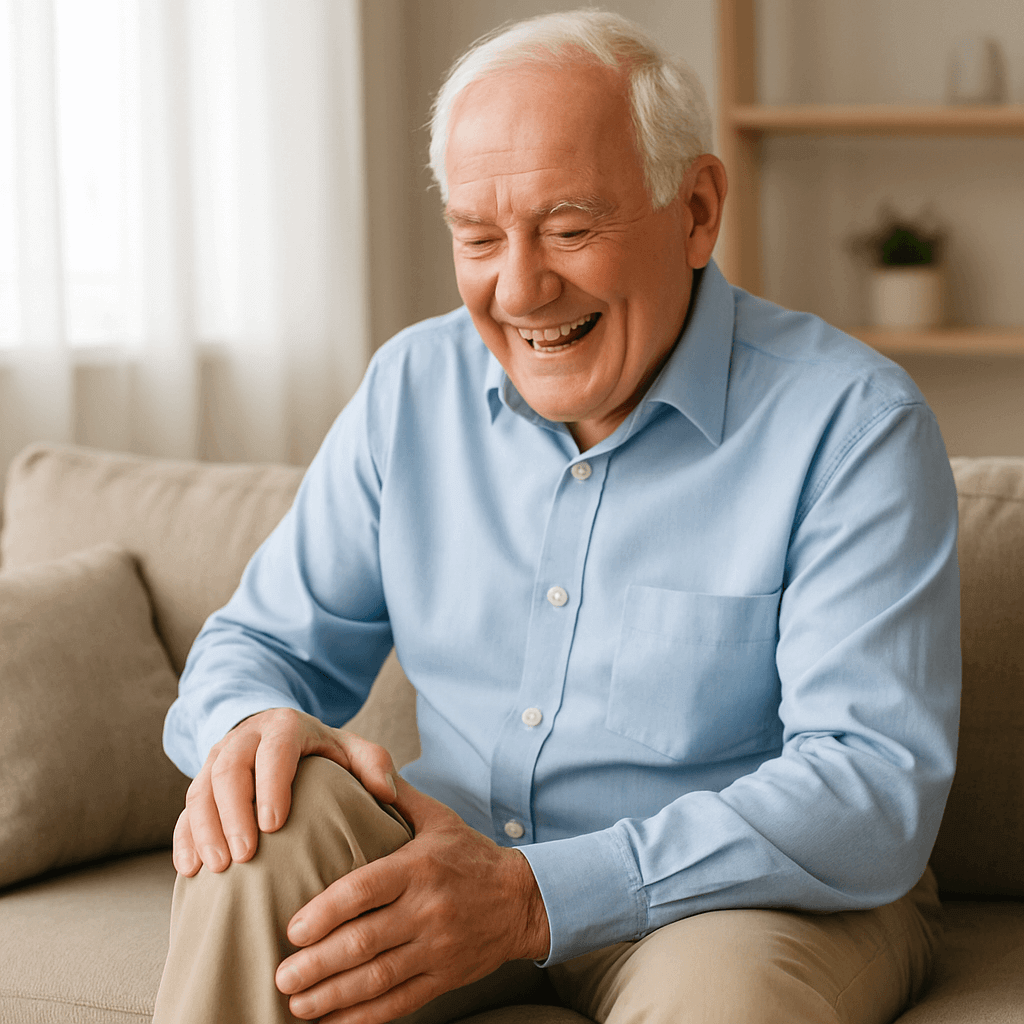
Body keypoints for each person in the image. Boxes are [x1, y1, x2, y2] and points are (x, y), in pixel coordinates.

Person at [154, 10, 960, 1024]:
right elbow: (254, 643)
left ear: (697, 208)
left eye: (570, 229)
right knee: (267, 809)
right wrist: (247, 727)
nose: (521, 287)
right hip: (449, 863)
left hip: (739, 900)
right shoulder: (412, 388)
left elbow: (867, 791)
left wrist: (537, 897)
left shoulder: (852, 425)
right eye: (479, 238)